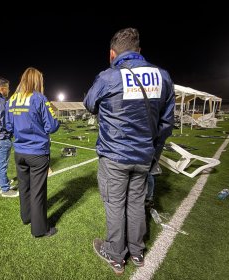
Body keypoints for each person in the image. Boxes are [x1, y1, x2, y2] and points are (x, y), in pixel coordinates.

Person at [84, 27, 175, 275]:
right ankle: (136, 252)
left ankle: (115, 255)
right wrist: (153, 151)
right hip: (144, 155)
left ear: (112, 54)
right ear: (139, 51)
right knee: (136, 204)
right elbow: (167, 124)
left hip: (114, 155)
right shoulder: (162, 76)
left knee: (115, 204)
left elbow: (89, 103)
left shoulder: (108, 76)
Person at [5, 67, 59, 237]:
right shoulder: (39, 98)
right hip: (37, 152)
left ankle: (26, 217)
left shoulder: (11, 99)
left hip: (19, 152)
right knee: (38, 192)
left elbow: (8, 126)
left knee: (24, 187)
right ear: (37, 81)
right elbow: (52, 126)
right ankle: (40, 229)